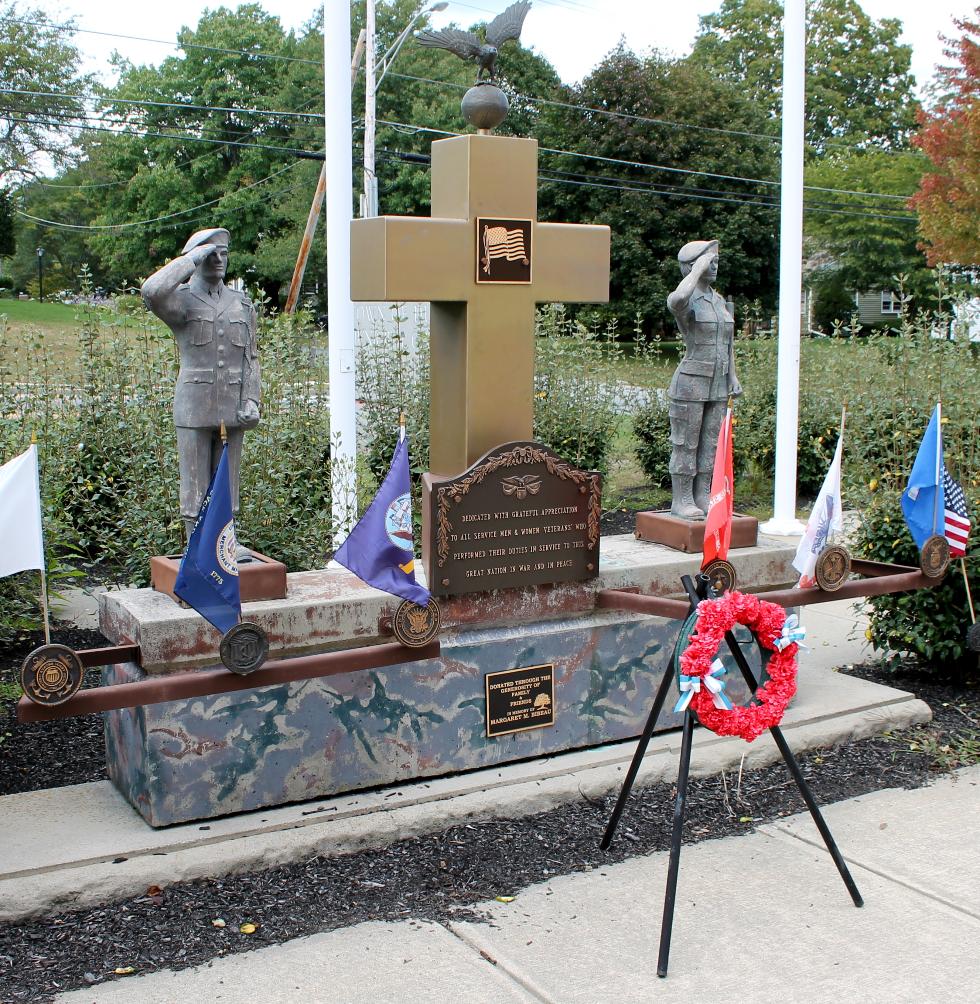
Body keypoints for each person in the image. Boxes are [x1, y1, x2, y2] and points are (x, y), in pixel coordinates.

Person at [141, 228, 260, 540]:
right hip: (194, 403)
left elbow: (252, 358)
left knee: (227, 484)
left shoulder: (242, 304)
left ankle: (226, 545)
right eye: (211, 254)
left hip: (233, 404)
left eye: (223, 253)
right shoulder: (181, 301)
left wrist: (252, 401)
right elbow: (151, 291)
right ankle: (196, 546)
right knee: (194, 484)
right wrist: (191, 259)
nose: (219, 260)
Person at [666, 239, 741, 520]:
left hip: (718, 383)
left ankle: (702, 495)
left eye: (716, 261)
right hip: (690, 382)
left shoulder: (719, 301)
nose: (715, 266)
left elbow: (728, 343)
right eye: (710, 261)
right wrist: (696, 271)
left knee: (711, 443)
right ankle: (681, 499)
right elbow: (675, 300)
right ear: (692, 265)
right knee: (686, 442)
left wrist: (733, 376)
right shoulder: (687, 299)